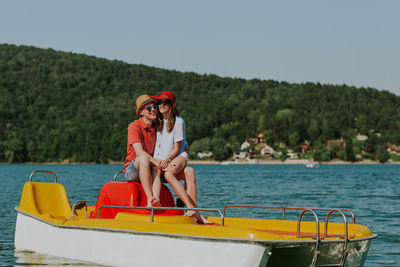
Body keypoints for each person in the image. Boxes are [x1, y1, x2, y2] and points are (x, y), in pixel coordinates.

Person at [151, 91, 211, 224]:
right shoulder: (157, 121)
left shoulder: (178, 121)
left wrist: (167, 160)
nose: (161, 105)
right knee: (189, 171)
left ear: (171, 105)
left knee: (170, 174)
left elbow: (177, 149)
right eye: (159, 102)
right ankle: (195, 212)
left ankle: (192, 210)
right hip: (160, 160)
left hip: (176, 156)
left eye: (165, 102)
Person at [123, 94, 161, 207]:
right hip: (132, 169)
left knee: (156, 166)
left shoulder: (157, 127)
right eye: (149, 108)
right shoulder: (134, 126)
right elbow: (139, 152)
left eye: (154, 106)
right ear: (141, 112)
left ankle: (156, 200)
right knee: (145, 158)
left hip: (148, 166)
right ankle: (149, 200)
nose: (153, 109)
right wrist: (155, 161)